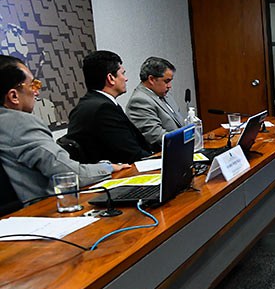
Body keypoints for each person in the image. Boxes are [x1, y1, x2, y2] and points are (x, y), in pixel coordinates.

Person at [0, 55, 128, 203]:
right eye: (33, 85)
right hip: (41, 213)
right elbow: (70, 175)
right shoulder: (21, 124)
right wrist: (108, 167)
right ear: (14, 96)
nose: (37, 92)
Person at [67, 50, 153, 164]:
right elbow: (131, 154)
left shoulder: (87, 104)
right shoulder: (103, 109)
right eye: (123, 73)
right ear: (111, 78)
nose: (126, 79)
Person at [126, 56, 183, 150]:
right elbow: (156, 137)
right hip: (163, 154)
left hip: (179, 148)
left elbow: (179, 124)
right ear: (151, 79)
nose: (169, 86)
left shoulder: (164, 95)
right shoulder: (139, 101)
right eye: (166, 81)